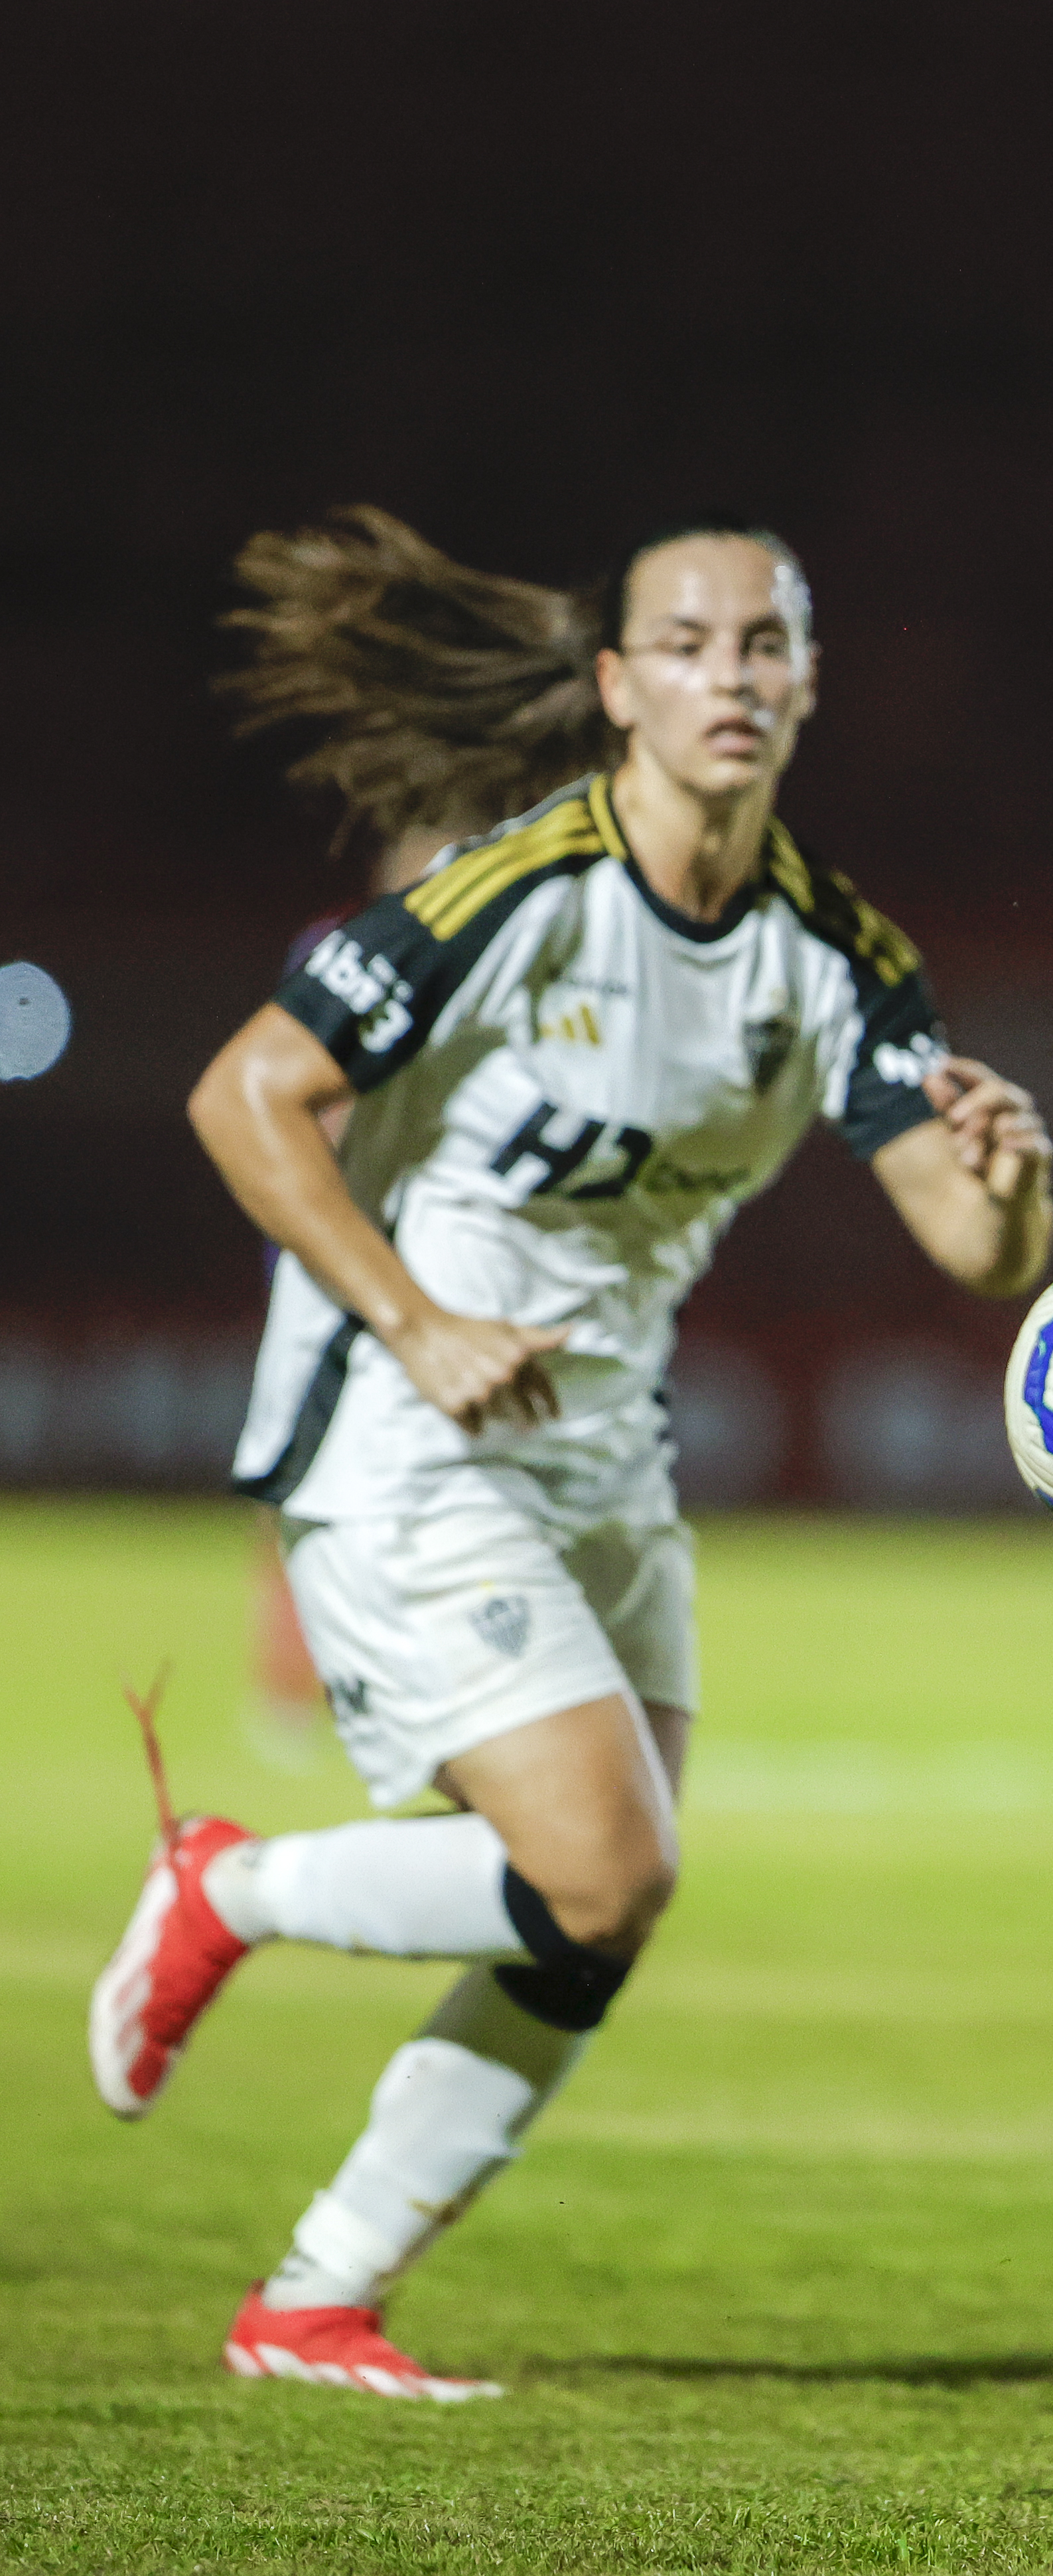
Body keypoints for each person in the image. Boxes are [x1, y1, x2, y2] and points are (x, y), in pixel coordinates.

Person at [90, 511, 1053, 2398]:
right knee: (604, 1872)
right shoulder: (512, 892)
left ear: (805, 682)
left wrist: (1015, 1189)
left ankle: (314, 2294)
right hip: (407, 1427)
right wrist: (419, 1317)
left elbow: (973, 1247)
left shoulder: (836, 954)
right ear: (618, 686)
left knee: (597, 1912)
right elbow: (246, 1092)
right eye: (688, 643)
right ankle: (228, 1887)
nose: (731, 674)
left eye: (765, 643)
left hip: (607, 1447)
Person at [216, 508, 622, 1756]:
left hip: (464, 1258)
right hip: (365, 1256)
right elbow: (270, 1103)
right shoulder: (362, 959)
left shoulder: (526, 943)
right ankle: (322, 1684)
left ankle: (421, 1677)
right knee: (329, 1466)